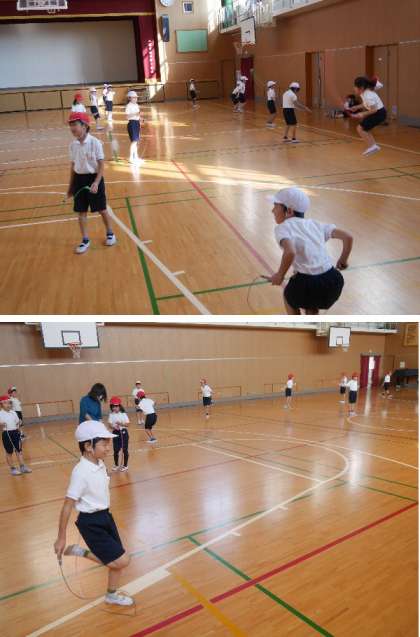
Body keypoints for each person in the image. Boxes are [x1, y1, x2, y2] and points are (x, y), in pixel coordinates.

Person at [54, 420, 134, 607]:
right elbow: (67, 506)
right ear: (88, 446)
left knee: (116, 561)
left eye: (109, 443)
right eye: (104, 443)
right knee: (122, 561)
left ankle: (111, 595)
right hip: (91, 523)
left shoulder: (100, 464)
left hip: (106, 516)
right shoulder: (80, 472)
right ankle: (81, 552)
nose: (108, 447)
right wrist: (61, 537)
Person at [267, 187, 353, 315]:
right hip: (333, 281)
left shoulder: (283, 228)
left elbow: (290, 252)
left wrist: (280, 275)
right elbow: (348, 237)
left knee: (289, 298)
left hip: (307, 284)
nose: (272, 210)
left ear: (289, 211)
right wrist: (343, 260)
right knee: (311, 304)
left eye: (275, 206)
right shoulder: (316, 224)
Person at [67, 111, 116, 254]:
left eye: (75, 124)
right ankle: (85, 239)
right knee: (81, 211)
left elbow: (101, 165)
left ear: (84, 126)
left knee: (101, 209)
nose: (72, 128)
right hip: (79, 180)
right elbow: (73, 167)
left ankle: (110, 233)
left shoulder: (95, 143)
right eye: (70, 125)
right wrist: (70, 187)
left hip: (94, 178)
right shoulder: (73, 145)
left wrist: (96, 182)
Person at [348, 76, 387, 155]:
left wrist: (361, 114)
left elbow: (374, 110)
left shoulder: (368, 95)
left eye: (355, 86)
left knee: (360, 128)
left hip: (379, 113)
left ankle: (372, 146)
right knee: (365, 129)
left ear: (361, 88)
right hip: (378, 113)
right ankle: (373, 146)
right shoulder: (364, 93)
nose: (354, 88)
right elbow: (366, 104)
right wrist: (356, 107)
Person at [0, 395, 31, 475]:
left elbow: (17, 422)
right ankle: (12, 469)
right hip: (6, 434)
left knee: (19, 450)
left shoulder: (13, 413)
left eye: (9, 403)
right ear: (1, 404)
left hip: (15, 432)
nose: (8, 405)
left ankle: (22, 466)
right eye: (5, 403)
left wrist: (19, 424)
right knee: (9, 452)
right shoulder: (0, 414)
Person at [108, 397, 130, 472]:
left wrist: (121, 424)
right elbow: (109, 424)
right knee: (116, 450)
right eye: (113, 406)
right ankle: (116, 465)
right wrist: (114, 427)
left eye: (116, 406)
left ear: (119, 406)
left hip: (123, 433)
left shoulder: (123, 414)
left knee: (125, 450)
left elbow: (128, 424)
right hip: (115, 433)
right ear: (111, 407)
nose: (115, 408)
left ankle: (125, 465)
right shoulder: (111, 415)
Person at [125, 90, 142, 164]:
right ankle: (131, 158)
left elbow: (138, 115)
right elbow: (127, 116)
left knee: (136, 142)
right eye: (133, 97)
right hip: (132, 124)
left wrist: (140, 119)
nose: (135, 99)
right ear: (129, 98)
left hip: (137, 123)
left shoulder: (136, 105)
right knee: (134, 142)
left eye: (136, 97)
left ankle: (136, 157)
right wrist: (135, 114)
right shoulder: (128, 106)